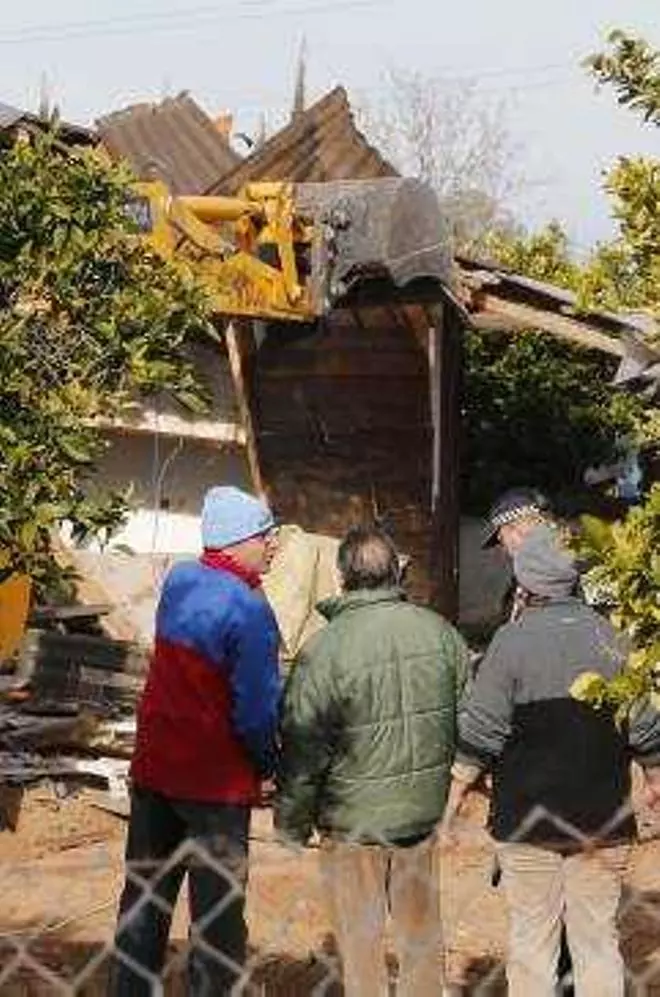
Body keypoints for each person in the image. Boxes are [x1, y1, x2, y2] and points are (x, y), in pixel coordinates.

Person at [441, 524, 660, 997]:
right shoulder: (615, 640)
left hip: (527, 823)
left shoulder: (509, 644)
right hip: (602, 822)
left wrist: (455, 796)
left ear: (525, 581)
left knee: (532, 940)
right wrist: (654, 778)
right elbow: (646, 728)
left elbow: (481, 731)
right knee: (598, 940)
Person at [275, 525, 469, 997]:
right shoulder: (441, 634)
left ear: (342, 578)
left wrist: (292, 824)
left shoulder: (322, 651)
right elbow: (468, 718)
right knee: (421, 937)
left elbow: (303, 745)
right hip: (420, 818)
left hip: (350, 824)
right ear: (396, 573)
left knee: (361, 945)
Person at [109, 486, 281, 996]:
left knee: (144, 897)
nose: (274, 544)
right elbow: (256, 709)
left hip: (155, 771)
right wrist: (267, 764)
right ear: (236, 542)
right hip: (214, 787)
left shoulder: (181, 581)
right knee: (217, 916)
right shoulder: (251, 611)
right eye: (265, 535)